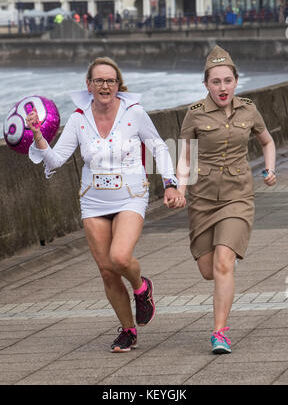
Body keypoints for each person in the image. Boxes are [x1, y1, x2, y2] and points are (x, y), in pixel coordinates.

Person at [26, 57, 185, 353]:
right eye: (98, 80)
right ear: (88, 85)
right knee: (107, 271)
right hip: (93, 199)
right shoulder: (78, 118)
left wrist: (171, 183)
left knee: (120, 257)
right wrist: (37, 135)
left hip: (130, 195)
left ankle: (142, 288)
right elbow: (57, 160)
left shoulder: (133, 113)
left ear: (118, 84)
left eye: (110, 80)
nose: (104, 86)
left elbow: (159, 147)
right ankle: (127, 330)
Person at [177, 45, 276, 354]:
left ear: (236, 81)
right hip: (203, 199)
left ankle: (219, 332)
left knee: (223, 262)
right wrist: (179, 189)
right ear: (206, 83)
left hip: (238, 195)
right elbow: (184, 158)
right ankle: (224, 276)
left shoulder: (249, 110)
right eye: (215, 82)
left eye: (227, 81)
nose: (222, 88)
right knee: (209, 270)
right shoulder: (193, 114)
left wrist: (270, 169)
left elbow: (267, 140)